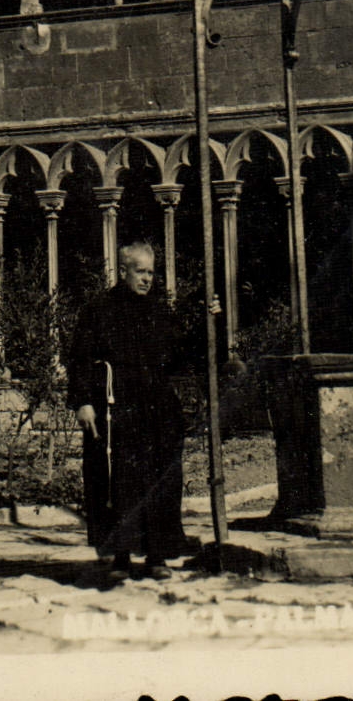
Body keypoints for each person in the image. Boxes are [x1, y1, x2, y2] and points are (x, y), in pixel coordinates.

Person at [65, 241, 214, 583]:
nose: (147, 279)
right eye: (140, 271)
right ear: (123, 271)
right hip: (116, 408)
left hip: (157, 410)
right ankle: (120, 556)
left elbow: (183, 355)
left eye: (151, 272)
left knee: (160, 483)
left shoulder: (159, 311)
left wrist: (208, 321)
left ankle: (157, 556)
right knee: (119, 482)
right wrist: (83, 402)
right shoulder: (99, 309)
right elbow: (80, 359)